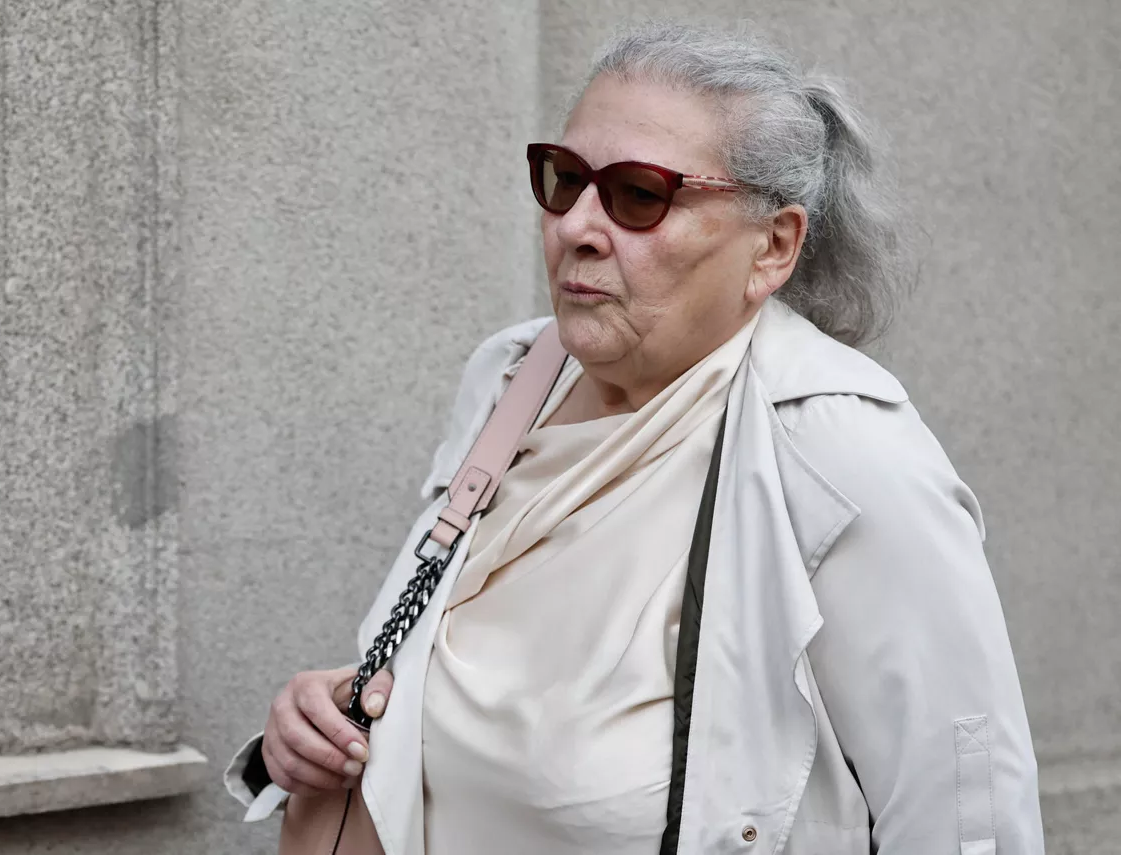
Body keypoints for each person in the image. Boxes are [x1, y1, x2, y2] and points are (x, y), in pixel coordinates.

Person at [225, 21, 1045, 855]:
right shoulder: (513, 382)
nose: (577, 225)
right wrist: (328, 721)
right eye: (565, 178)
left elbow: (967, 826)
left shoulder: (846, 458)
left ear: (774, 246)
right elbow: (450, 693)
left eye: (639, 194)